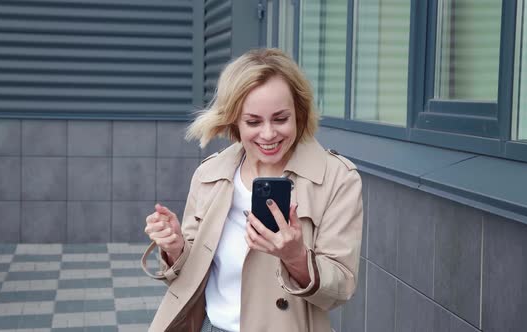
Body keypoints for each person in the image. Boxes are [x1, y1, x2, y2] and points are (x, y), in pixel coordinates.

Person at [141, 48, 363, 332]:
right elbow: (187, 277)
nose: (268, 134)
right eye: (254, 121)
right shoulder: (210, 174)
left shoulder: (336, 178)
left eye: (281, 119)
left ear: (300, 113)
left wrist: (295, 257)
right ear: (234, 120)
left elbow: (341, 289)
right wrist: (174, 248)